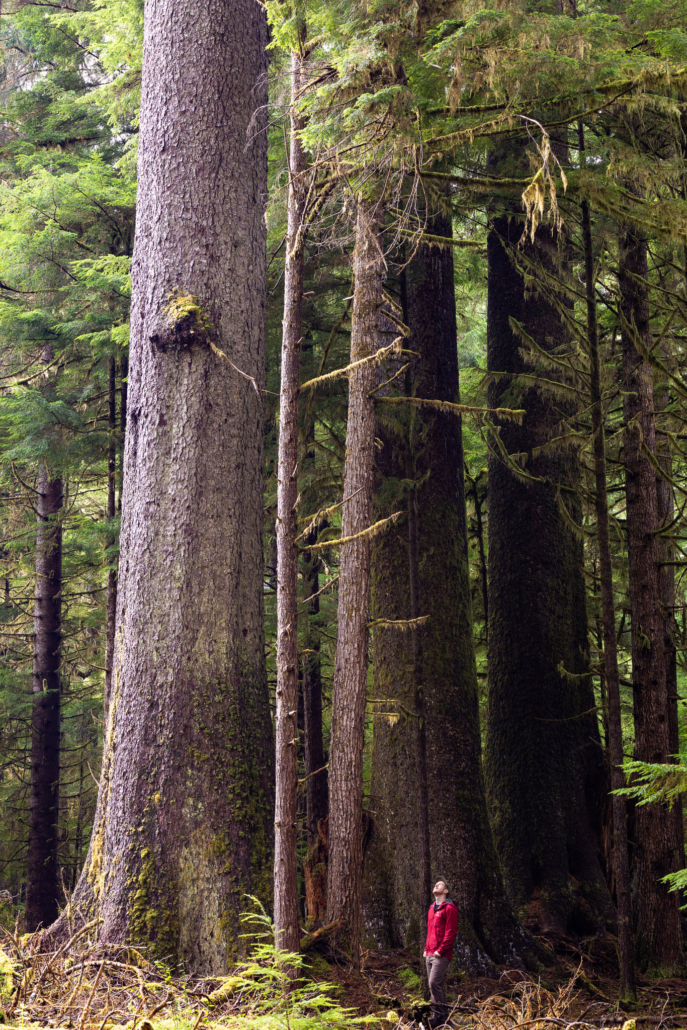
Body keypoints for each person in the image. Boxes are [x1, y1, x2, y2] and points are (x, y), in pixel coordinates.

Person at [423, 880, 459, 1028]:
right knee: (435, 985)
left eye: (440, 884)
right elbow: (430, 930)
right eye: (435, 884)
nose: (436, 885)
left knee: (433, 983)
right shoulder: (432, 908)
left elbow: (451, 932)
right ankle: (443, 1017)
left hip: (441, 954)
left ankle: (439, 1016)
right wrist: (426, 948)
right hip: (430, 953)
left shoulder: (450, 908)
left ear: (446, 891)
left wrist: (441, 950)